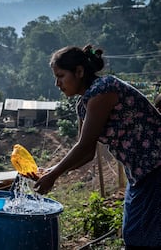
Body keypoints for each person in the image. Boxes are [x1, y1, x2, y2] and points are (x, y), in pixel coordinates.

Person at [33, 44, 161, 249]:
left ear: (79, 72)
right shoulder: (84, 104)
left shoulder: (104, 90)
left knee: (143, 239)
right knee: (135, 236)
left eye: (61, 76)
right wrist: (51, 171)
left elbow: (84, 146)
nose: (57, 83)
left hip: (155, 167)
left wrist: (54, 174)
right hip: (139, 173)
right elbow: (87, 154)